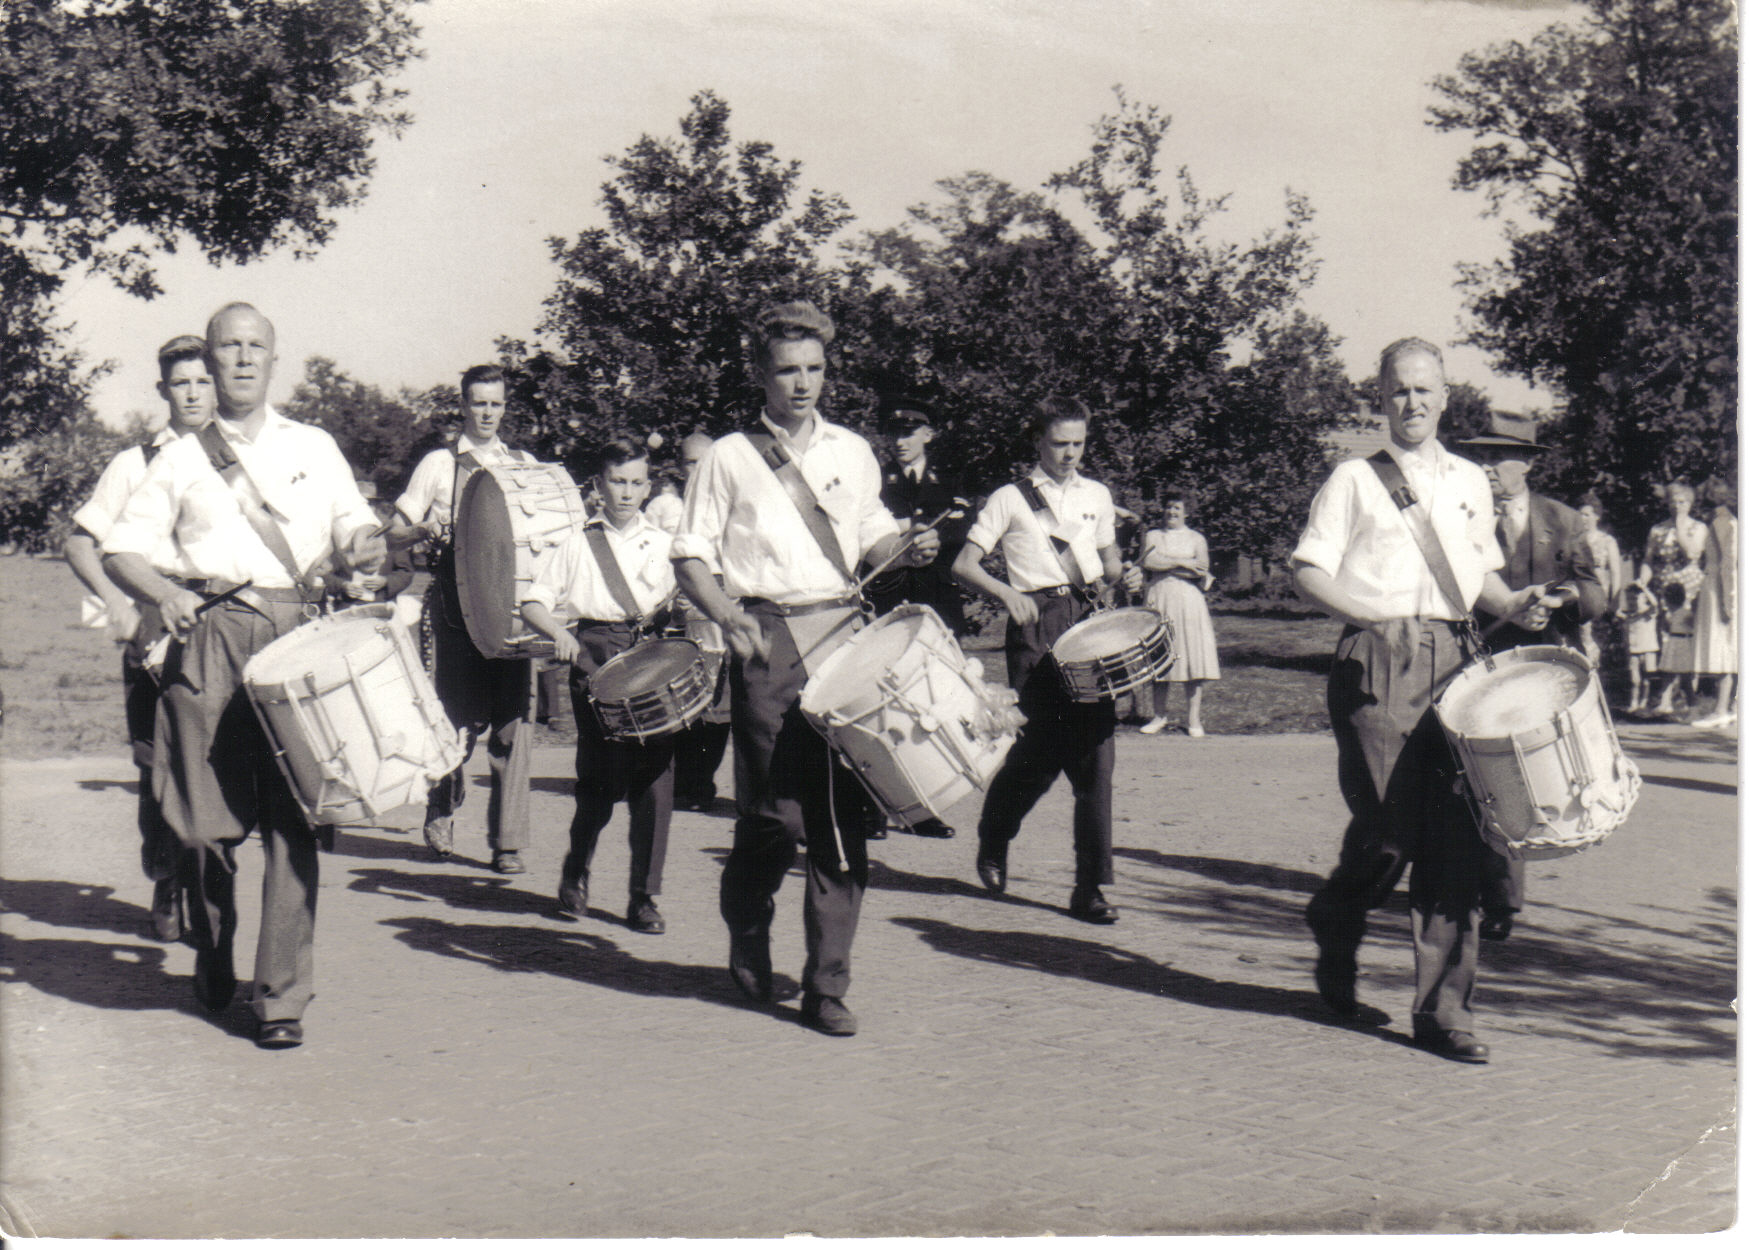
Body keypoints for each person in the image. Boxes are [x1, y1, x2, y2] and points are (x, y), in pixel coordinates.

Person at [102, 302, 385, 1050]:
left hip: (298, 638)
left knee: (294, 823)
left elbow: (356, 522)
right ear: (213, 356)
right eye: (229, 346)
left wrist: (360, 545)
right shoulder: (181, 456)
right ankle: (213, 941)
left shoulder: (315, 445)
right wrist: (164, 592)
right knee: (200, 829)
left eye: (255, 345)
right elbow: (119, 551)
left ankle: (281, 998)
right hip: (212, 639)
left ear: (273, 356)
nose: (242, 358)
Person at [672, 299, 938, 1037]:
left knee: (840, 815)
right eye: (787, 370)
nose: (802, 384)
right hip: (768, 637)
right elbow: (690, 552)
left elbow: (871, 533)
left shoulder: (852, 450)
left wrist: (905, 546)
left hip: (845, 634)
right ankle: (747, 929)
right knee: (773, 817)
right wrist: (730, 619)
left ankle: (827, 985)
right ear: (760, 373)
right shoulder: (728, 455)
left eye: (814, 369)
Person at [1292, 337, 1547, 1065]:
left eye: (1424, 390)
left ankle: (1445, 1014)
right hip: (1378, 657)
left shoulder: (1469, 479)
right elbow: (1307, 569)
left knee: (1457, 834)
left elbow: (1478, 581)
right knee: (1390, 827)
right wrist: (1369, 618)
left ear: (1444, 396)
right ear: (1380, 398)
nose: (1411, 402)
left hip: (1457, 660)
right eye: (1398, 390)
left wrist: (1518, 603)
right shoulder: (1352, 479)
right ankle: (1337, 914)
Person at [952, 396, 1143, 924]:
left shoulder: (1097, 495)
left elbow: (1106, 564)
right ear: (1037, 440)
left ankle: (1091, 888)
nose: (1070, 454)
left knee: (1097, 761)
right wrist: (1005, 594)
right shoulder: (1010, 499)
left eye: (1079, 443)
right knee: (1038, 753)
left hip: (1088, 625)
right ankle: (995, 834)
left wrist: (1124, 575)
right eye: (1060, 443)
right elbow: (964, 564)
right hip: (1035, 626)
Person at [63, 333, 215, 942]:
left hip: (221, 621)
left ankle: (202, 883)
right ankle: (166, 872)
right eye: (182, 382)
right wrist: (120, 601)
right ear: (163, 390)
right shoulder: (135, 463)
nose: (195, 393)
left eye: (204, 380)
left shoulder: (241, 456)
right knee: (156, 763)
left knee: (213, 762)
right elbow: (80, 542)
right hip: (154, 621)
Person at [1455, 412, 1606, 943]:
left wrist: (1560, 598)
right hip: (1470, 663)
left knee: (1516, 780)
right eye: (1482, 456)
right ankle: (1482, 890)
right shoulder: (1461, 516)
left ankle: (1500, 899)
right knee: (1473, 779)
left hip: (1538, 673)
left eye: (1500, 456)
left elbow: (1594, 594)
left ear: (1530, 462)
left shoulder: (1562, 520)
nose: (1489, 467)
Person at [523, 437, 677, 934]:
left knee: (655, 783)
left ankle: (644, 896)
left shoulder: (665, 543)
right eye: (617, 481)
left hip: (651, 661)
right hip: (595, 657)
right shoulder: (576, 542)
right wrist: (559, 632)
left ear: (649, 487)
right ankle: (576, 870)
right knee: (599, 784)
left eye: (636, 482)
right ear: (599, 485)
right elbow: (534, 603)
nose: (627, 492)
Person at [393, 365, 536, 874]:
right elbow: (395, 530)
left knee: (513, 724)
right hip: (453, 611)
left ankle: (508, 841)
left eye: (495, 403)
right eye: (478, 403)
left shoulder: (522, 464)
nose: (487, 412)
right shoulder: (437, 464)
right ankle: (442, 806)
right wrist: (421, 530)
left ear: (505, 406)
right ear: (464, 404)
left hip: (510, 613)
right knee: (455, 722)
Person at [868, 396, 970, 837]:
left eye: (910, 432)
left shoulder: (950, 479)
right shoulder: (874, 480)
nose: (900, 441)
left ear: (929, 434)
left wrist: (936, 534)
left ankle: (923, 805)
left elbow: (966, 526)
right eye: (894, 433)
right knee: (881, 705)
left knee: (931, 704)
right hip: (889, 603)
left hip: (936, 603)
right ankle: (873, 807)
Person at [668, 431, 734, 812]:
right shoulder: (668, 508)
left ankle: (702, 780)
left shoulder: (729, 503)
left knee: (722, 704)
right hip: (684, 616)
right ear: (680, 466)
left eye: (704, 462)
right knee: (688, 701)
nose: (698, 470)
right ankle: (687, 781)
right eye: (691, 462)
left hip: (724, 610)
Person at [1138, 490, 1220, 738]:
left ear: (1186, 512)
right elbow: (1150, 562)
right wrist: (1184, 563)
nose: (1171, 512)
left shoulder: (1197, 538)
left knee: (1192, 656)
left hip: (1189, 601)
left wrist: (1170, 564)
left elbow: (1201, 570)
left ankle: (1193, 719)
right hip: (1159, 597)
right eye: (1168, 507)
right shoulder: (1152, 535)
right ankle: (1159, 716)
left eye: (1177, 508)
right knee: (1160, 656)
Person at [1639, 481, 1708, 716]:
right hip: (1664, 592)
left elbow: (1691, 553)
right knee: (1668, 643)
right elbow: (1649, 560)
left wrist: (1679, 525)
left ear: (1690, 503)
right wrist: (1641, 582)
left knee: (1682, 644)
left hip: (1689, 592)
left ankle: (1673, 699)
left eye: (1682, 501)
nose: (1677, 506)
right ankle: (1685, 700)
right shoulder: (1657, 529)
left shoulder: (1697, 528)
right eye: (1673, 501)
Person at [1691, 476, 1736, 728]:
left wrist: (1728, 602)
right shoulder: (1723, 522)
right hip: (1718, 585)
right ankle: (1731, 705)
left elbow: (1728, 564)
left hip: (1721, 588)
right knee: (1727, 646)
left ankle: (1722, 708)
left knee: (1723, 646)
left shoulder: (1724, 522)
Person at [1574, 492, 1626, 668]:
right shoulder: (1573, 540)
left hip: (1599, 595)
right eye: (1580, 514)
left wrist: (1615, 601)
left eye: (1587, 514)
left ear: (1596, 516)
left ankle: (1597, 675)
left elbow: (1616, 573)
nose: (1583, 518)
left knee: (1596, 640)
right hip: (1578, 595)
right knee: (1580, 639)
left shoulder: (1607, 540)